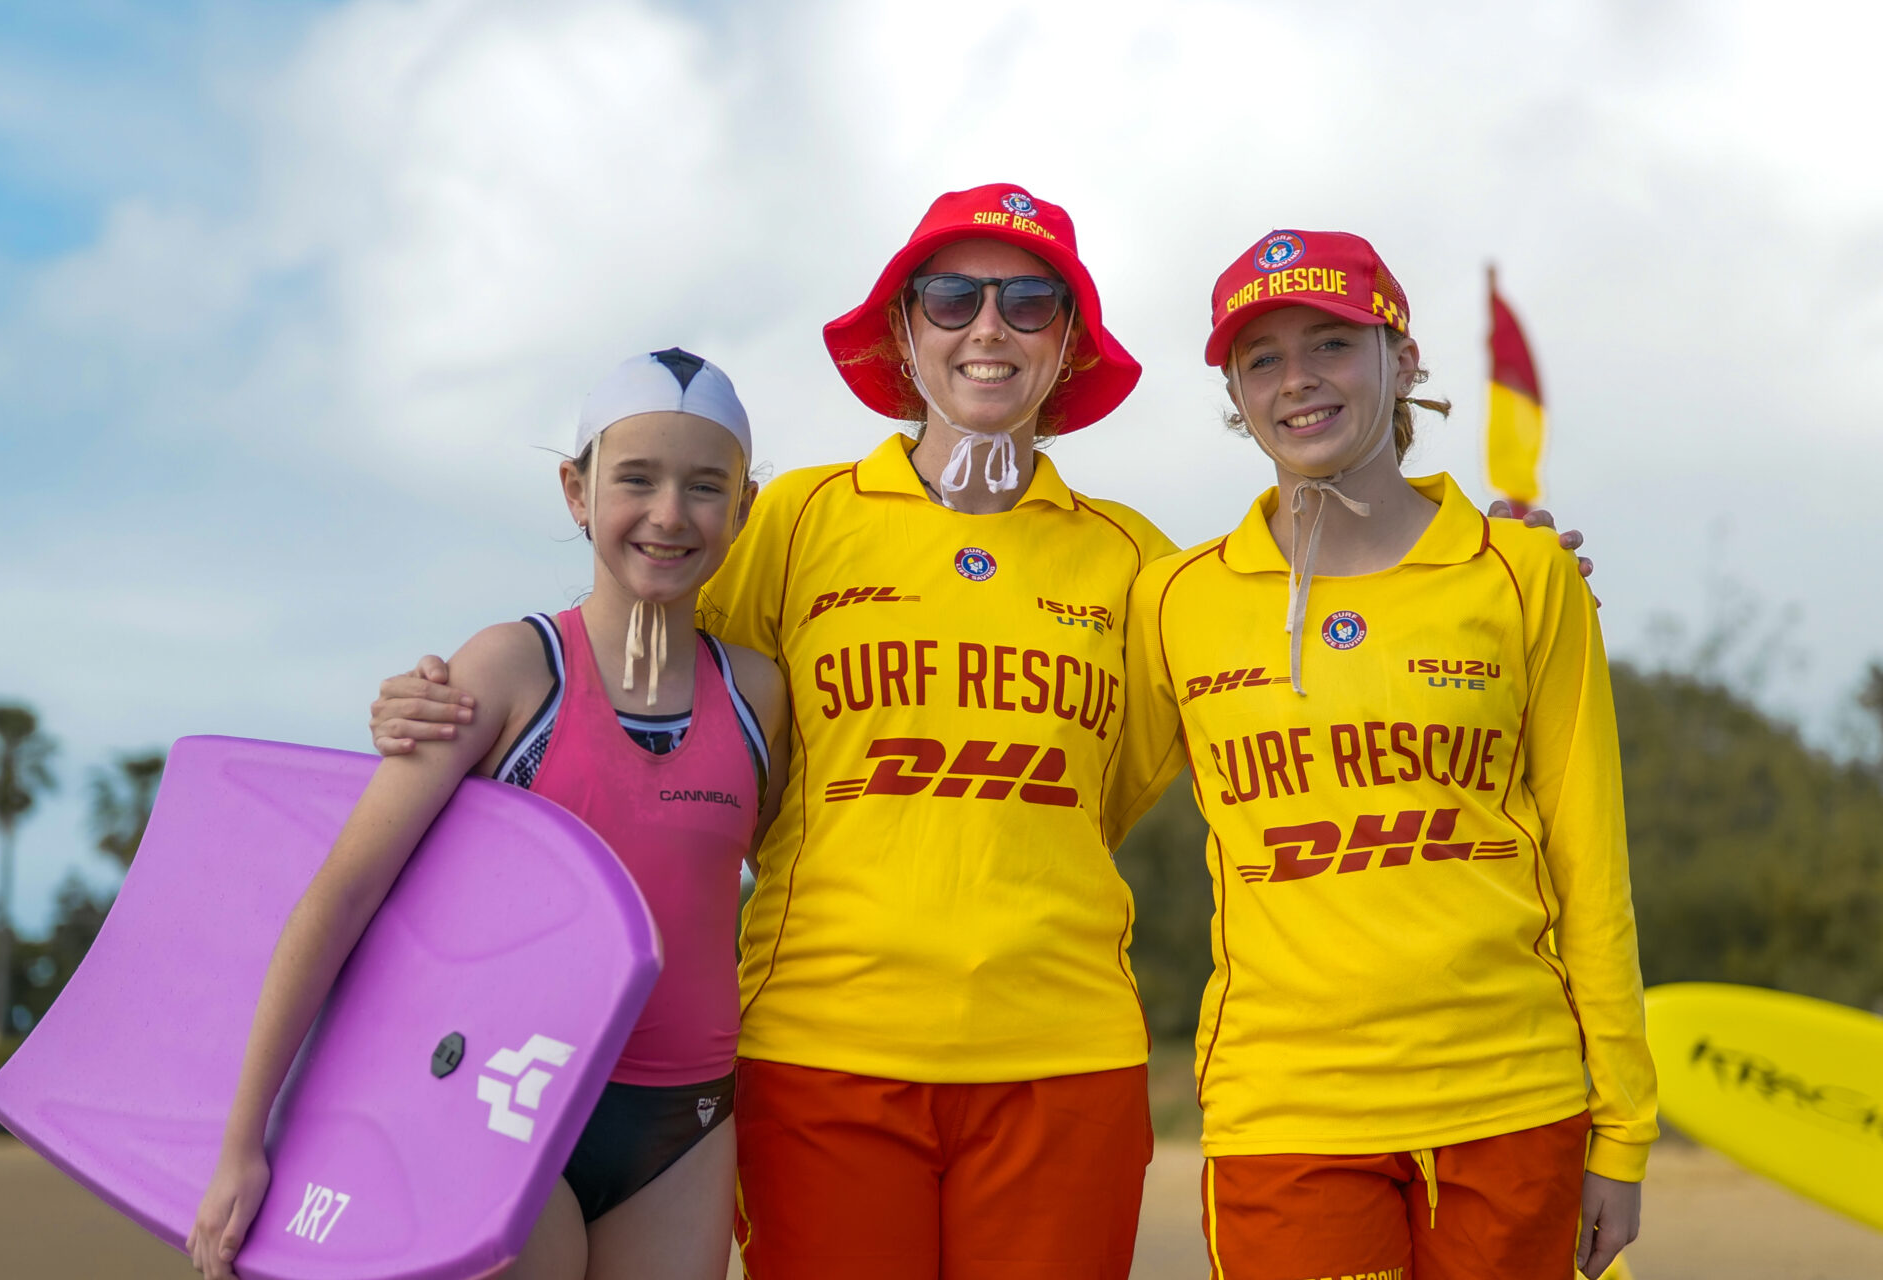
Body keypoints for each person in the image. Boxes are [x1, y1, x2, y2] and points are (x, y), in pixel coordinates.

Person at [369, 190, 1596, 1280]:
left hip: (1067, 1057)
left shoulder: (1138, 566)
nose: (987, 328)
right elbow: (646, 679)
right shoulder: (798, 521)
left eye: (1028, 301)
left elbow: (1308, 659)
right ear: (905, 331)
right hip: (823, 1047)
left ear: (1069, 343)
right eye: (952, 297)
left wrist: (1489, 558)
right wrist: (442, 702)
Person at [1113, 231, 1654, 1280]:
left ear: (1402, 360)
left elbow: (1594, 868)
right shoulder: (1177, 598)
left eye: (1330, 342)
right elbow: (1069, 812)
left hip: (1513, 1096)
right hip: (1287, 1111)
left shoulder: (1522, 573)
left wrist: (1624, 1129)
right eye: (1261, 358)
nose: (1298, 379)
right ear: (1233, 389)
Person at [187, 349, 787, 1280]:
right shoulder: (512, 669)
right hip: (499, 1099)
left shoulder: (759, 695)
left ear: (744, 510)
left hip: (687, 1121)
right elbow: (341, 896)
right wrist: (243, 1140)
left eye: (706, 487)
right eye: (636, 479)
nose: (670, 514)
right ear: (576, 492)